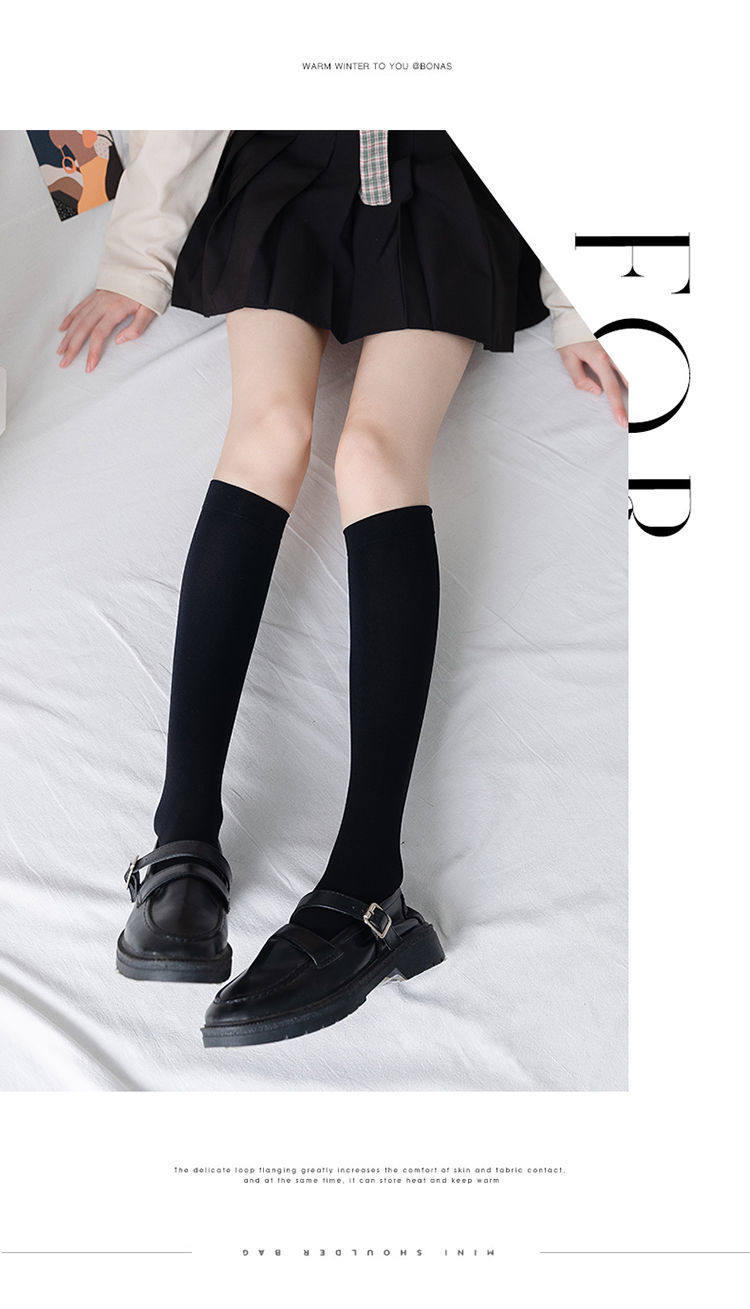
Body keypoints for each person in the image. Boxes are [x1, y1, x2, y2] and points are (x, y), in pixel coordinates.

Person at [58, 131, 626, 1048]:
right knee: (269, 435)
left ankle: (366, 877)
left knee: (372, 455)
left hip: (441, 181)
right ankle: (183, 842)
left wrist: (583, 299)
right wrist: (137, 257)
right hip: (286, 167)